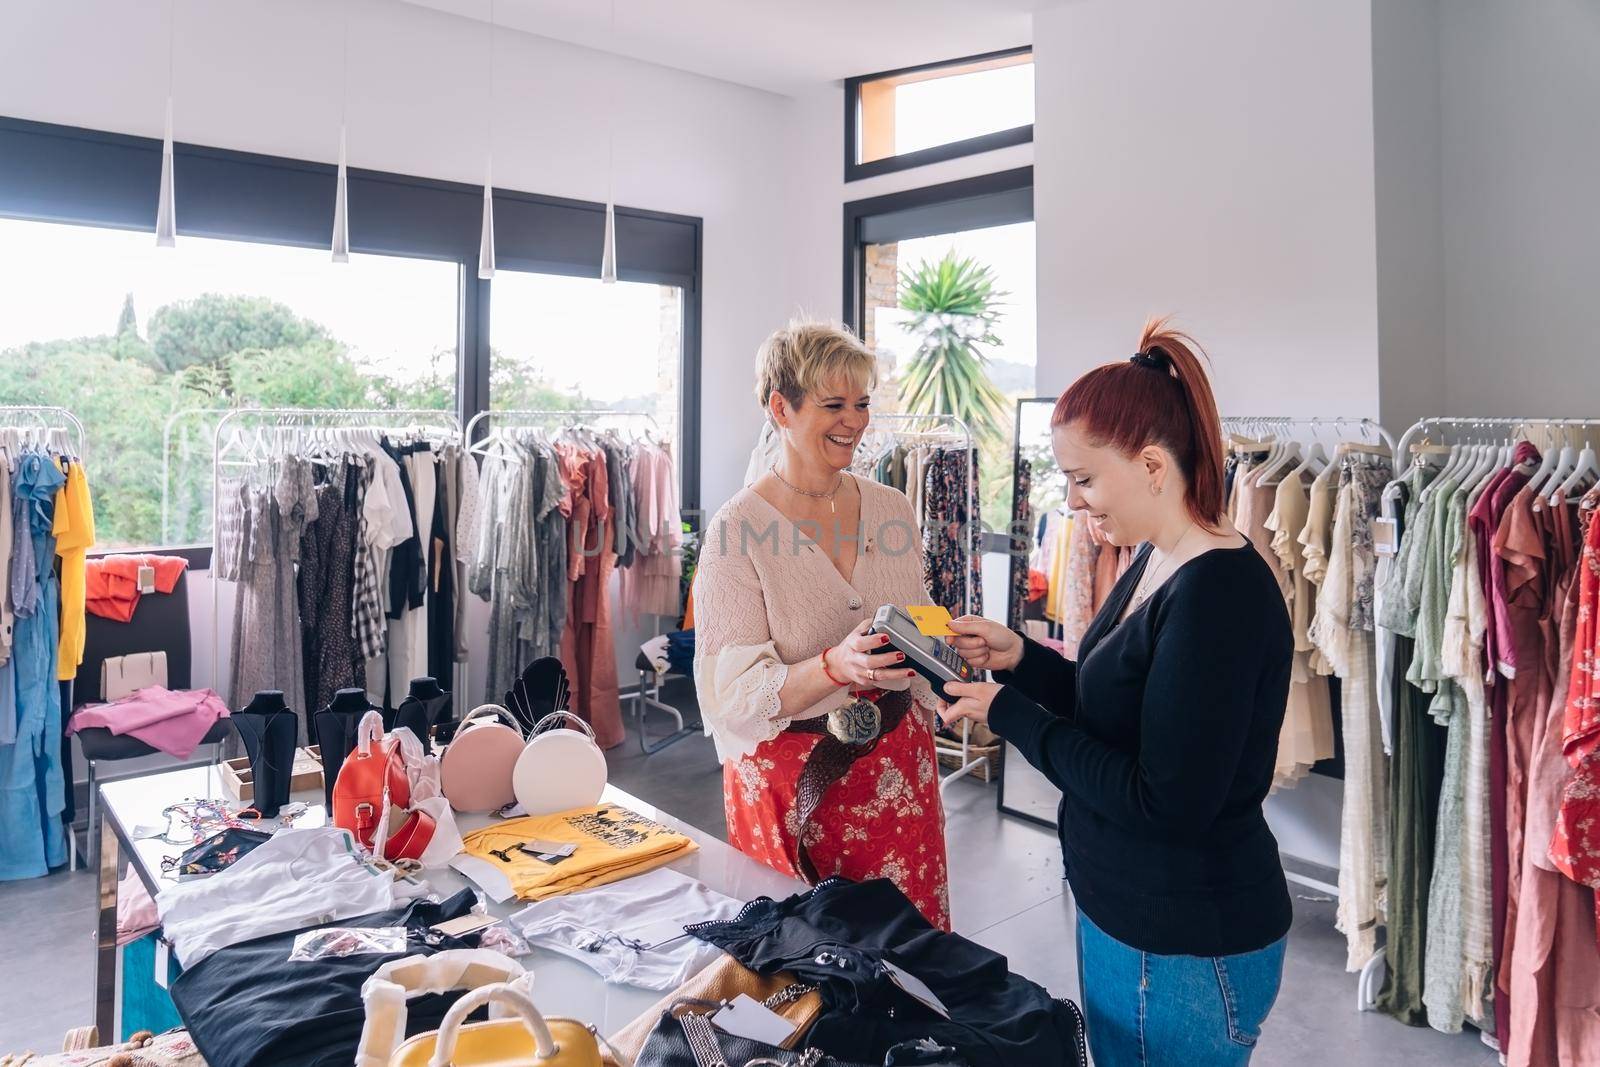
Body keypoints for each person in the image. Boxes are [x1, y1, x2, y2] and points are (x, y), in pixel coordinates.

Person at [941, 318, 1294, 1063]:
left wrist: (1013, 717)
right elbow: (1116, 706)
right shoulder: (1157, 560)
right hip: (1135, 916)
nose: (1072, 502)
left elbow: (1164, 801)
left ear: (1154, 466)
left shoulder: (1215, 595)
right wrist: (1020, 660)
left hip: (1184, 943)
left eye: (1084, 478)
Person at [692, 321, 950, 929]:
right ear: (781, 407)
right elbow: (732, 695)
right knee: (805, 972)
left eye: (862, 403)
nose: (854, 421)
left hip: (897, 774)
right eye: (833, 404)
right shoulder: (736, 532)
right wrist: (833, 666)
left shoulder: (891, 506)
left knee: (911, 961)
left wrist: (948, 637)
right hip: (794, 788)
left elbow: (913, 612)